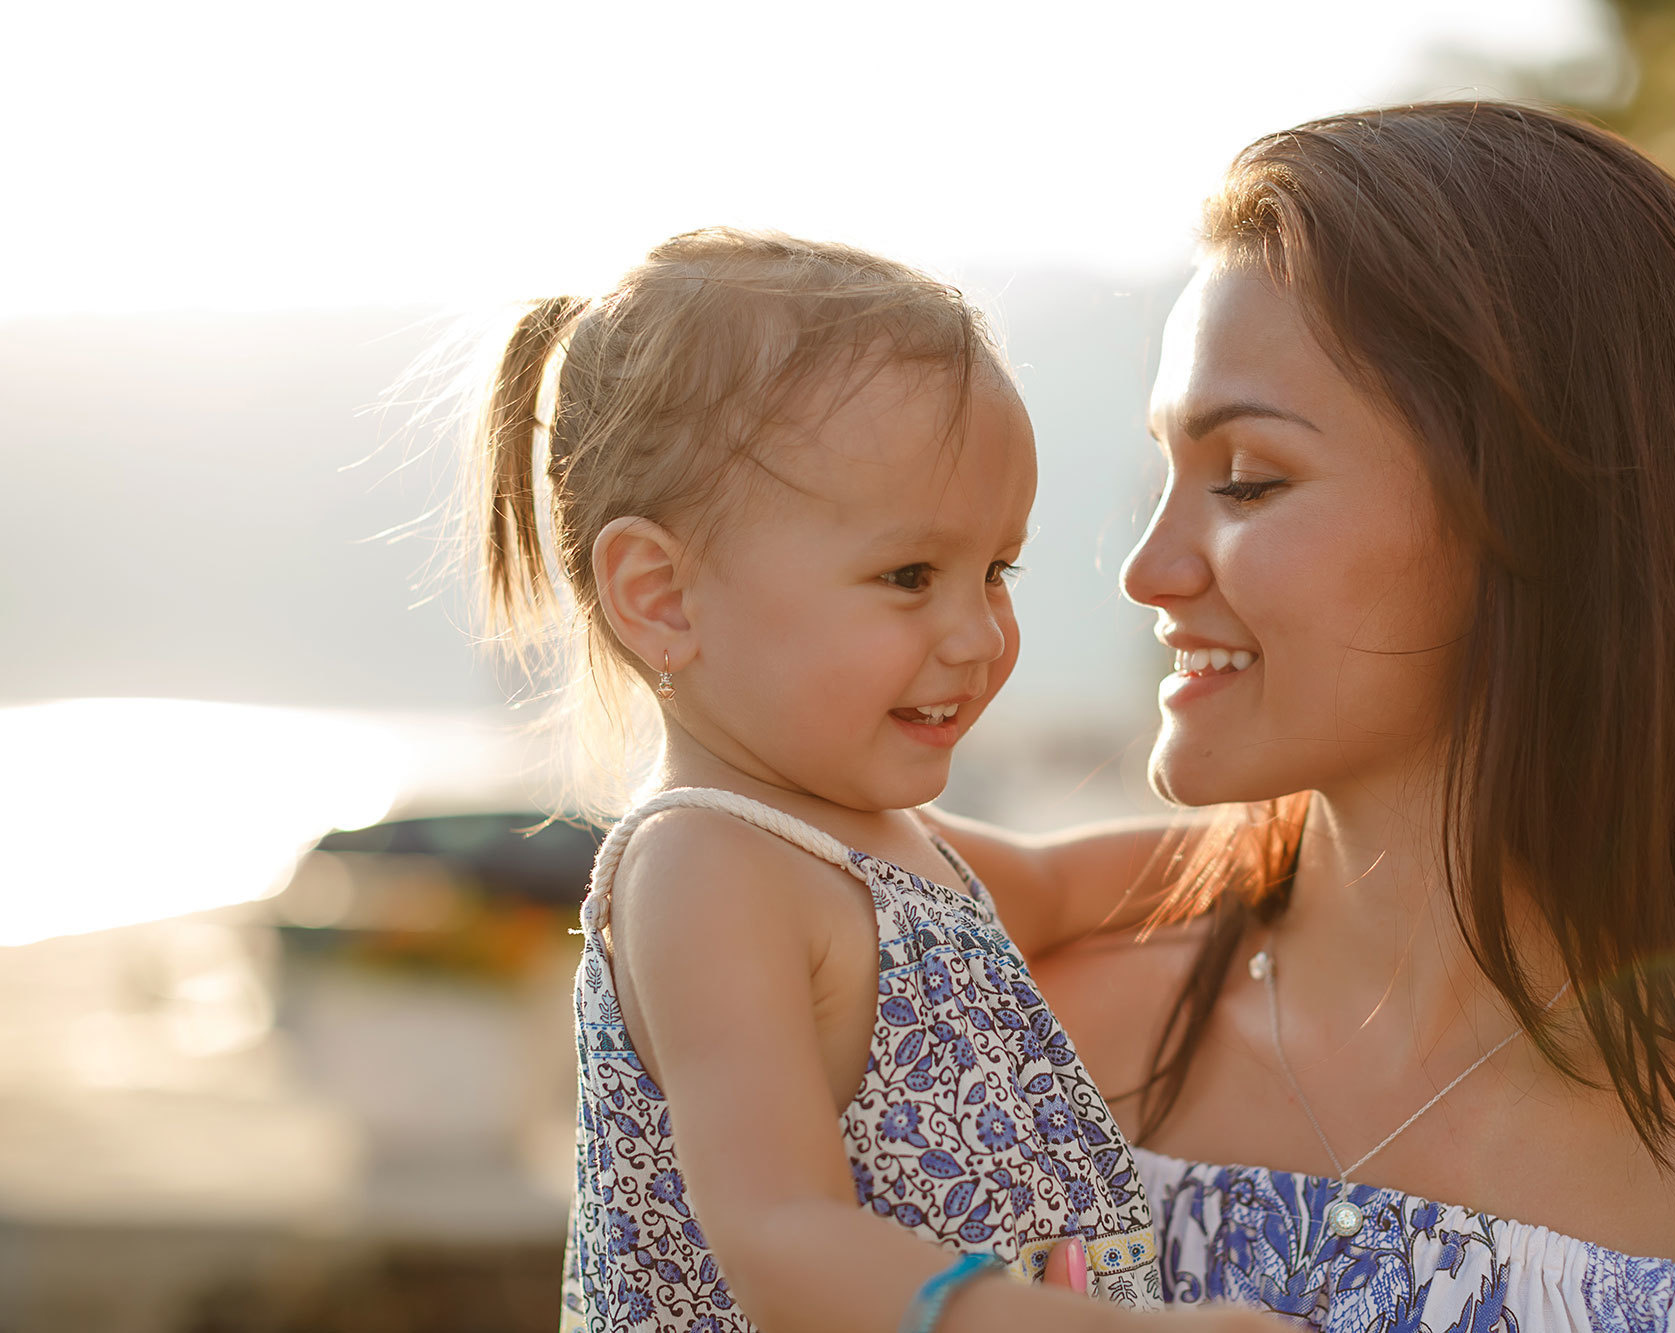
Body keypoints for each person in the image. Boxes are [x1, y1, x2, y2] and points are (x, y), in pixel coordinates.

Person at [933, 102, 1675, 1329]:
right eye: (1160, 473)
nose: (1148, 567)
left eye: (1246, 479)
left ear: (1548, 520)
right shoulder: (1019, 1048)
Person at [471, 229, 1280, 1333]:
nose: (978, 635)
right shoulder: (707, 871)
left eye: (992, 571)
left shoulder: (884, 846)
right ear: (661, 595)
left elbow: (1065, 884)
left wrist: (1310, 839)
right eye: (909, 575)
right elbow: (783, 1236)